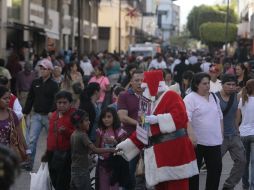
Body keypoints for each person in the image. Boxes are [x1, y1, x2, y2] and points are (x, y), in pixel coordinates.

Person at [117, 70, 198, 190]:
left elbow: (181, 117)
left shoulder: (172, 96)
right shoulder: (146, 103)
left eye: (145, 86)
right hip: (157, 154)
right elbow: (142, 131)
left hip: (175, 152)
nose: (143, 89)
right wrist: (124, 146)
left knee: (177, 186)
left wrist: (157, 119)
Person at [184, 72, 223, 190]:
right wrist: (191, 135)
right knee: (193, 174)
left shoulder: (214, 97)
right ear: (196, 85)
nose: (207, 86)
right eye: (204, 84)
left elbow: (220, 117)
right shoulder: (190, 98)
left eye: (208, 83)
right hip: (197, 143)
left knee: (215, 172)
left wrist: (221, 134)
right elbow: (186, 119)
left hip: (214, 142)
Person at [23, 59, 59, 169]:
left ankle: (53, 164)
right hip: (37, 115)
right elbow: (30, 98)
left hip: (49, 117)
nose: (42, 70)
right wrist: (25, 112)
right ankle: (29, 164)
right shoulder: (35, 82)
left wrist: (52, 111)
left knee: (52, 140)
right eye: (41, 68)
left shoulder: (54, 84)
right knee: (32, 140)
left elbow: (56, 100)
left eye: (44, 68)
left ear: (50, 70)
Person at [70, 109, 116, 190]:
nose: (89, 122)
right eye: (86, 120)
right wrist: (112, 150)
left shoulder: (74, 134)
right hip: (82, 171)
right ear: (79, 123)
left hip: (74, 169)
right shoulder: (82, 135)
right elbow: (95, 149)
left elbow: (83, 151)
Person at [216, 74, 246, 190]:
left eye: (233, 85)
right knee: (215, 165)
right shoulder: (215, 97)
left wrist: (237, 130)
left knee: (242, 161)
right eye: (228, 84)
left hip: (233, 135)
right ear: (222, 84)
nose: (231, 87)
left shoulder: (237, 97)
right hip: (219, 137)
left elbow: (236, 115)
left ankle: (228, 186)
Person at [117, 70, 143, 189]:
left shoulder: (148, 95)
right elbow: (122, 117)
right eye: (136, 80)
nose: (139, 83)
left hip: (147, 139)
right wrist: (141, 124)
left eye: (142, 80)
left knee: (146, 172)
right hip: (131, 139)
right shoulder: (124, 95)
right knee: (130, 171)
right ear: (131, 82)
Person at [44, 91, 75, 190]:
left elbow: (79, 134)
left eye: (64, 102)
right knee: (54, 179)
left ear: (70, 103)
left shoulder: (75, 116)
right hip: (51, 152)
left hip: (66, 153)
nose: (61, 105)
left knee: (63, 182)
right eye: (59, 102)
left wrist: (66, 131)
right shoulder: (54, 115)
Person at [96, 107, 127, 190]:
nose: (106, 119)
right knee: (103, 186)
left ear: (114, 117)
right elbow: (96, 148)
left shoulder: (120, 132)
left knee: (114, 186)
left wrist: (115, 143)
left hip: (116, 165)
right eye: (104, 117)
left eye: (109, 117)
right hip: (103, 164)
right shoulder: (100, 131)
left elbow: (124, 149)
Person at [236, 79, 254, 190]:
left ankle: (245, 186)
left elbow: (237, 119)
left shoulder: (242, 100)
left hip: (243, 133)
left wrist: (237, 130)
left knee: (244, 163)